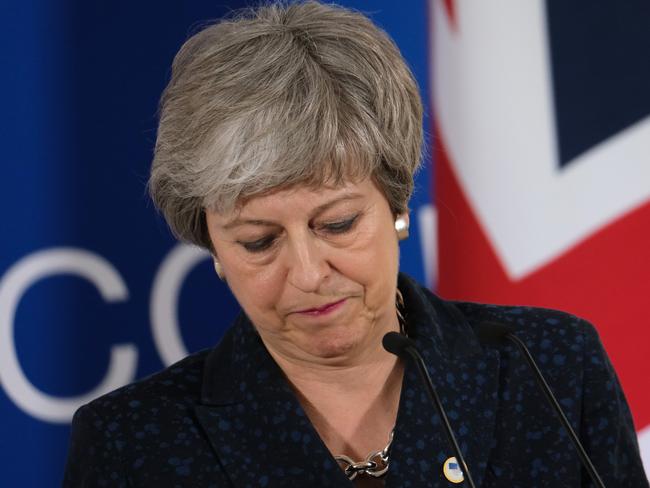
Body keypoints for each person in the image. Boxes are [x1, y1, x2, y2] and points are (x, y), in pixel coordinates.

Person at [63, 1, 648, 486]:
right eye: (260, 241)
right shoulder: (132, 444)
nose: (309, 272)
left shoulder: (550, 369)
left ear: (396, 205)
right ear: (213, 248)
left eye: (337, 224)